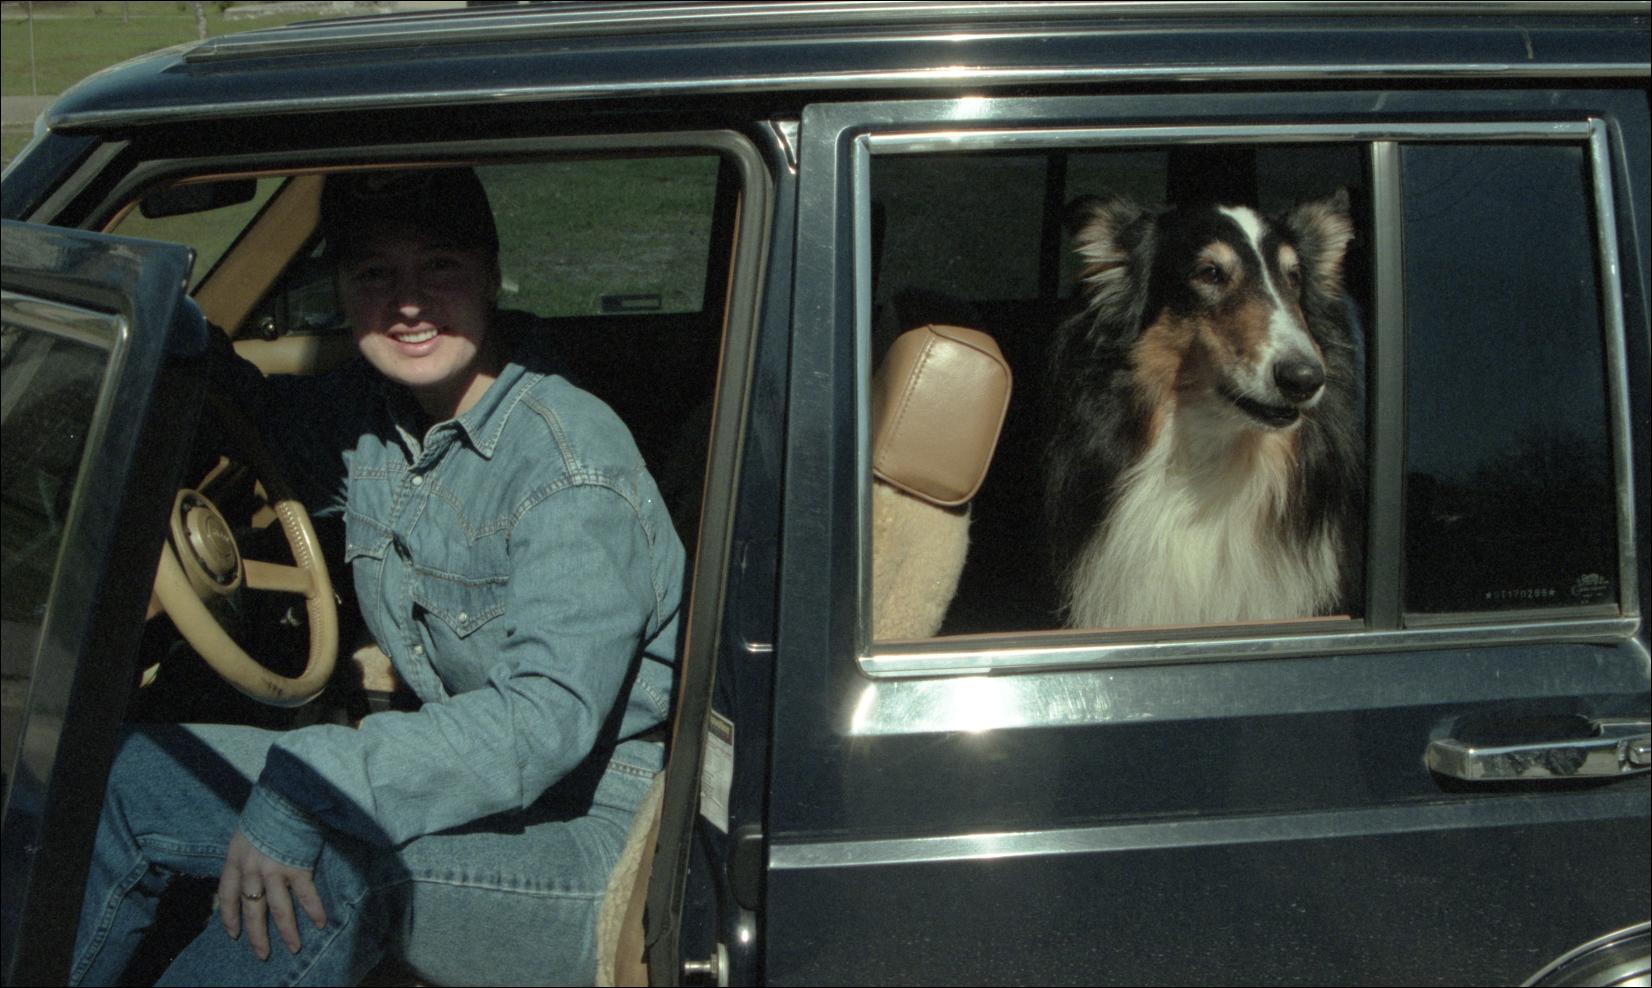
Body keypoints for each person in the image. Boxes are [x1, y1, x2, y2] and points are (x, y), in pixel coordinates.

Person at [69, 167, 685, 986]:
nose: (408, 304)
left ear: (491, 275)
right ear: (340, 292)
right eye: (374, 274)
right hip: (469, 777)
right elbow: (255, 419)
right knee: (125, 777)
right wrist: (157, 320)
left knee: (325, 881)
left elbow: (542, 723)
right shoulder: (377, 415)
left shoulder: (571, 468)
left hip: (598, 821)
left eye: (440, 267)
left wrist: (319, 780)